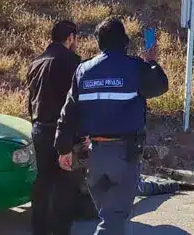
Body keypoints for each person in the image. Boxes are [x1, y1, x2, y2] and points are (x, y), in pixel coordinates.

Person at [55, 17, 169, 234]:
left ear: (99, 42)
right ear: (125, 41)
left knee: (108, 214)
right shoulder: (135, 67)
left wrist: (63, 149)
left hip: (94, 156)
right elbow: (160, 86)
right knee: (113, 221)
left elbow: (68, 113)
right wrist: (151, 61)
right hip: (124, 156)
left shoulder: (83, 70)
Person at [26, 19, 82, 235]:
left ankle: (39, 228)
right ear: (70, 38)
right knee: (65, 183)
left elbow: (30, 99)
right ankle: (60, 230)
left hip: (38, 127)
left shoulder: (36, 62)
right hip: (61, 130)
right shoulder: (71, 62)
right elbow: (75, 101)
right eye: (75, 38)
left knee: (43, 181)